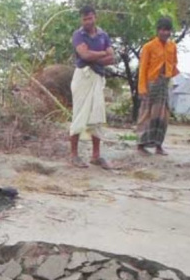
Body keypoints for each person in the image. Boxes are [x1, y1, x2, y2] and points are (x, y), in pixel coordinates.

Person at [69, 5, 115, 169]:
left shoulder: (103, 35)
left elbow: (112, 58)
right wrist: (102, 54)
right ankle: (74, 155)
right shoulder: (78, 35)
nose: (88, 21)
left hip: (97, 77)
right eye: (84, 19)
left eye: (90, 18)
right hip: (83, 76)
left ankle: (96, 156)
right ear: (81, 20)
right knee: (79, 114)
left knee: (97, 116)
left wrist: (95, 56)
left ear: (95, 17)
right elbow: (84, 55)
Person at [136, 17, 179, 156]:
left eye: (167, 30)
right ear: (157, 30)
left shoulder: (172, 46)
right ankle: (141, 144)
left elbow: (174, 64)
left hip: (164, 84)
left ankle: (158, 145)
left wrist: (169, 76)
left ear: (170, 32)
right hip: (151, 84)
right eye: (162, 29)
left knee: (162, 116)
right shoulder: (148, 47)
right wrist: (142, 88)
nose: (164, 32)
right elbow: (142, 69)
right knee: (146, 114)